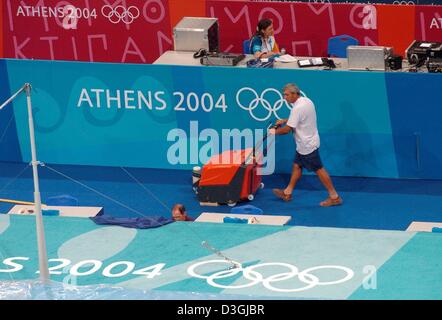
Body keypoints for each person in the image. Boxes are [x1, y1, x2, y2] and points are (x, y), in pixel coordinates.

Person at [269, 83, 343, 207]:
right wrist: (285, 120)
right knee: (297, 166)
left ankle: (334, 197)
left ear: (294, 94)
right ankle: (288, 192)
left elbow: (287, 130)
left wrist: (273, 132)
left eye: (286, 95)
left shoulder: (297, 108)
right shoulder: (306, 101)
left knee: (319, 170)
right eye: (284, 95)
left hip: (307, 145)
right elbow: (299, 118)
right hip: (306, 143)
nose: (284, 98)